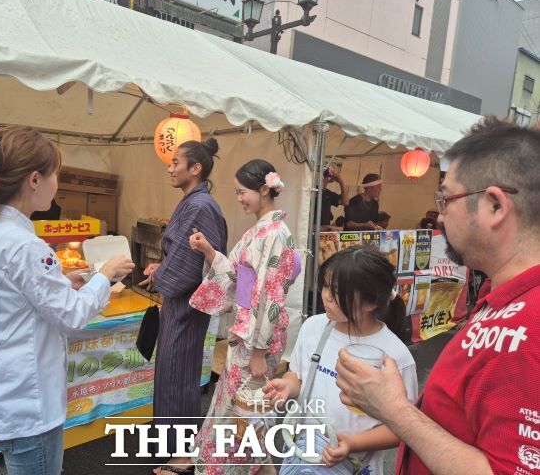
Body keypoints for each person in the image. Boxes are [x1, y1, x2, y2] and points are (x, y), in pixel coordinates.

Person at [335, 117, 540, 474]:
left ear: (495, 206)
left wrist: (394, 410)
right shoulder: (504, 297)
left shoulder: (528, 328)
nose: (440, 216)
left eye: (445, 198)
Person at [0, 126, 135, 475]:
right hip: (26, 404)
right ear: (34, 179)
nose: (57, 183)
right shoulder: (25, 244)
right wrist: (105, 273)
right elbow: (72, 315)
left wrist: (71, 278)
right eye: (56, 175)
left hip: (4, 393)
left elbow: (16, 295)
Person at [155, 159, 301, 475]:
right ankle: (219, 464)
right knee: (234, 406)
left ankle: (226, 468)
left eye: (242, 192)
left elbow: (270, 295)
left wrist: (260, 350)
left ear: (264, 189)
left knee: (243, 411)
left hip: (257, 339)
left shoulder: (275, 233)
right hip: (247, 332)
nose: (238, 199)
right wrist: (208, 250)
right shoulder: (261, 230)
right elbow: (236, 274)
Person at [263, 245, 417, 475]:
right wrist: (289, 386)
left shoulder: (395, 357)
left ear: (370, 302)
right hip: (301, 455)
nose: (325, 295)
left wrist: (352, 444)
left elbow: (403, 428)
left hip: (356, 465)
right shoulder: (313, 327)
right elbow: (298, 376)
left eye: (335, 290)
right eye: (324, 285)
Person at [139, 138, 228, 456]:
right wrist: (162, 267)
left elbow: (192, 263)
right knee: (176, 375)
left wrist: (159, 276)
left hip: (188, 306)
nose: (170, 167)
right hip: (183, 305)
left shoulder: (200, 205)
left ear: (196, 168)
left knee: (177, 378)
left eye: (176, 162)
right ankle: (177, 449)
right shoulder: (195, 202)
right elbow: (181, 253)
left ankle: (176, 454)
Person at [320, 167, 349, 231]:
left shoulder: (327, 193)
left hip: (323, 234)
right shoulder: (309, 192)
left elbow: (345, 202)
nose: (325, 180)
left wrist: (341, 182)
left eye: (326, 178)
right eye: (323, 178)